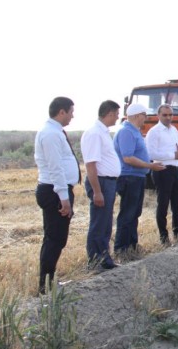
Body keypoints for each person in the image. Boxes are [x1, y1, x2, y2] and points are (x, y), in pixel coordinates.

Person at [34, 96, 81, 294]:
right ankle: (46, 286)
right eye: (71, 111)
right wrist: (64, 198)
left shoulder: (55, 132)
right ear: (61, 112)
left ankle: (49, 281)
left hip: (57, 191)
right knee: (55, 239)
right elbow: (55, 168)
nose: (72, 115)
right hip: (54, 192)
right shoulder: (51, 134)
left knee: (56, 238)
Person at [113, 103, 165, 256]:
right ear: (136, 116)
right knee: (128, 213)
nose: (146, 118)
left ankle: (132, 245)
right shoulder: (126, 132)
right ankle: (121, 248)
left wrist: (149, 164)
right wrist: (149, 165)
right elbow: (128, 158)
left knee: (135, 213)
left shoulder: (134, 131)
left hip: (137, 177)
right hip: (129, 177)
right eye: (144, 115)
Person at [81, 100, 122, 270]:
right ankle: (95, 261)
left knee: (106, 223)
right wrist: (97, 192)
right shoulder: (94, 134)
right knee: (99, 223)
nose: (118, 118)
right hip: (101, 182)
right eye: (117, 114)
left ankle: (105, 259)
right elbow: (91, 165)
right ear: (110, 113)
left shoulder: (103, 133)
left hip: (108, 182)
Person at [146, 104, 178, 245]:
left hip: (175, 170)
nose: (168, 117)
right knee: (163, 204)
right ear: (158, 115)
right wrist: (172, 154)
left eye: (170, 114)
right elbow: (150, 154)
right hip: (162, 170)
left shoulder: (174, 130)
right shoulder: (154, 132)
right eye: (165, 115)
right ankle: (164, 237)